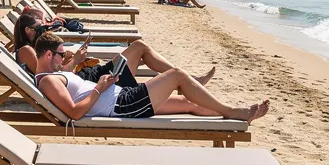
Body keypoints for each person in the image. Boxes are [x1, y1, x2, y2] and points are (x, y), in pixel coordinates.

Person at [32, 32, 268, 122]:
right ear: (49, 54)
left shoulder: (53, 74)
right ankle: (234, 111)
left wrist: (73, 66)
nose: (64, 57)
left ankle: (235, 114)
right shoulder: (49, 80)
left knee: (188, 103)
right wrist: (99, 88)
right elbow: (74, 112)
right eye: (61, 54)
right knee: (176, 75)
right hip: (122, 104)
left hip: (123, 96)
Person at [12, 13, 213, 85]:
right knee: (139, 48)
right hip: (89, 81)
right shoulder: (26, 51)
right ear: (28, 30)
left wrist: (66, 59)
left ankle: (187, 80)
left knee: (139, 52)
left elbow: (52, 71)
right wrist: (75, 61)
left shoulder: (31, 49)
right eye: (40, 27)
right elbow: (50, 79)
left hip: (87, 76)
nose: (44, 28)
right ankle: (188, 80)